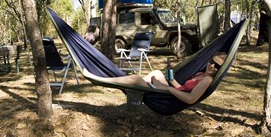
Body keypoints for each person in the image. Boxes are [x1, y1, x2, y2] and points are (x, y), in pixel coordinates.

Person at [82, 52, 227, 105]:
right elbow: (181, 87)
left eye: (217, 66)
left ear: (220, 70)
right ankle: (137, 91)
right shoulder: (201, 73)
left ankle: (101, 79)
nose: (212, 66)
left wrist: (168, 89)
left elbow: (190, 99)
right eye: (212, 62)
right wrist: (171, 79)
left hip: (170, 98)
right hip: (171, 91)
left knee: (137, 79)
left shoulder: (207, 80)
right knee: (157, 73)